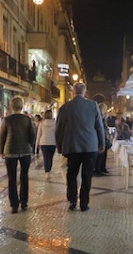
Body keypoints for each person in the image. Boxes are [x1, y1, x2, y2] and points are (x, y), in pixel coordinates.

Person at [56, 82, 105, 212]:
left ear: (73, 92)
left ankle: (72, 200)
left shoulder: (65, 107)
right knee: (87, 175)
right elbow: (99, 126)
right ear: (85, 92)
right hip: (90, 146)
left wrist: (60, 147)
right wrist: (102, 143)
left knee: (71, 173)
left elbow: (59, 129)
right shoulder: (93, 105)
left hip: (72, 147)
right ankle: (84, 203)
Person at [0, 97, 36, 213]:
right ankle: (24, 202)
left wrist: (2, 150)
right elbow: (33, 135)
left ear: (11, 106)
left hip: (10, 151)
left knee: (12, 178)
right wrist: (29, 145)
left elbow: (2, 136)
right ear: (21, 106)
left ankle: (14, 205)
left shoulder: (7, 120)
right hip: (25, 151)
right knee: (24, 176)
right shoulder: (27, 119)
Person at [35, 109, 57, 181]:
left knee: (45, 158)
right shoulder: (55, 123)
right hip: (52, 143)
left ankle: (46, 172)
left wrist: (37, 144)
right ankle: (49, 170)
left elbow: (39, 135)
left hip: (43, 143)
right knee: (50, 158)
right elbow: (57, 134)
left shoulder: (41, 123)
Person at [95, 103, 110, 176]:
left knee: (103, 154)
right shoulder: (99, 115)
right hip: (100, 137)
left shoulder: (101, 115)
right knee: (101, 154)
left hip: (102, 137)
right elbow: (101, 127)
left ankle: (102, 168)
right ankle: (99, 169)